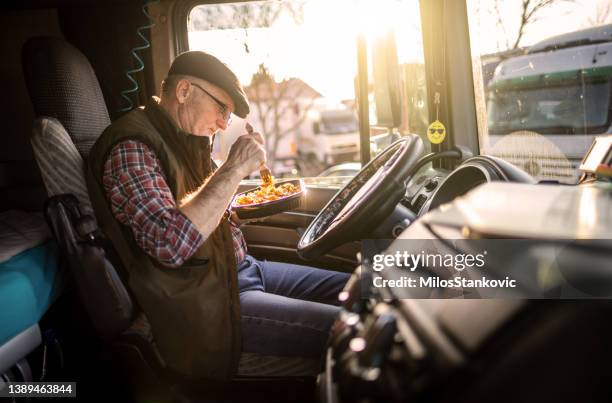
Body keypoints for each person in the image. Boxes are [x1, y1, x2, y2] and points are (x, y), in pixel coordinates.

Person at [86, 51, 350, 379]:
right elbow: (170, 244)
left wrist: (241, 208)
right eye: (221, 108)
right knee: (360, 327)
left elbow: (201, 209)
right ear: (184, 92)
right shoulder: (131, 148)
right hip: (203, 301)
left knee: (366, 286)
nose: (225, 123)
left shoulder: (185, 139)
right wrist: (235, 167)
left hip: (236, 270)